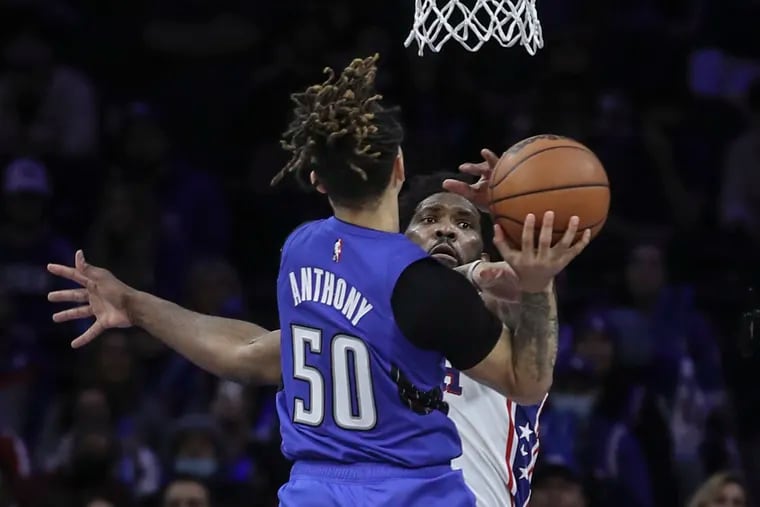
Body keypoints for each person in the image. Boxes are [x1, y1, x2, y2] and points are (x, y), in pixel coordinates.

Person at [47, 55, 590, 506]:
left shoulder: (303, 253)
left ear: (315, 178)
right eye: (429, 218)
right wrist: (536, 271)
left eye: (463, 224)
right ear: (398, 174)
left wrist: (136, 303)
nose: (445, 230)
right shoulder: (424, 290)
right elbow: (528, 377)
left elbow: (250, 350)